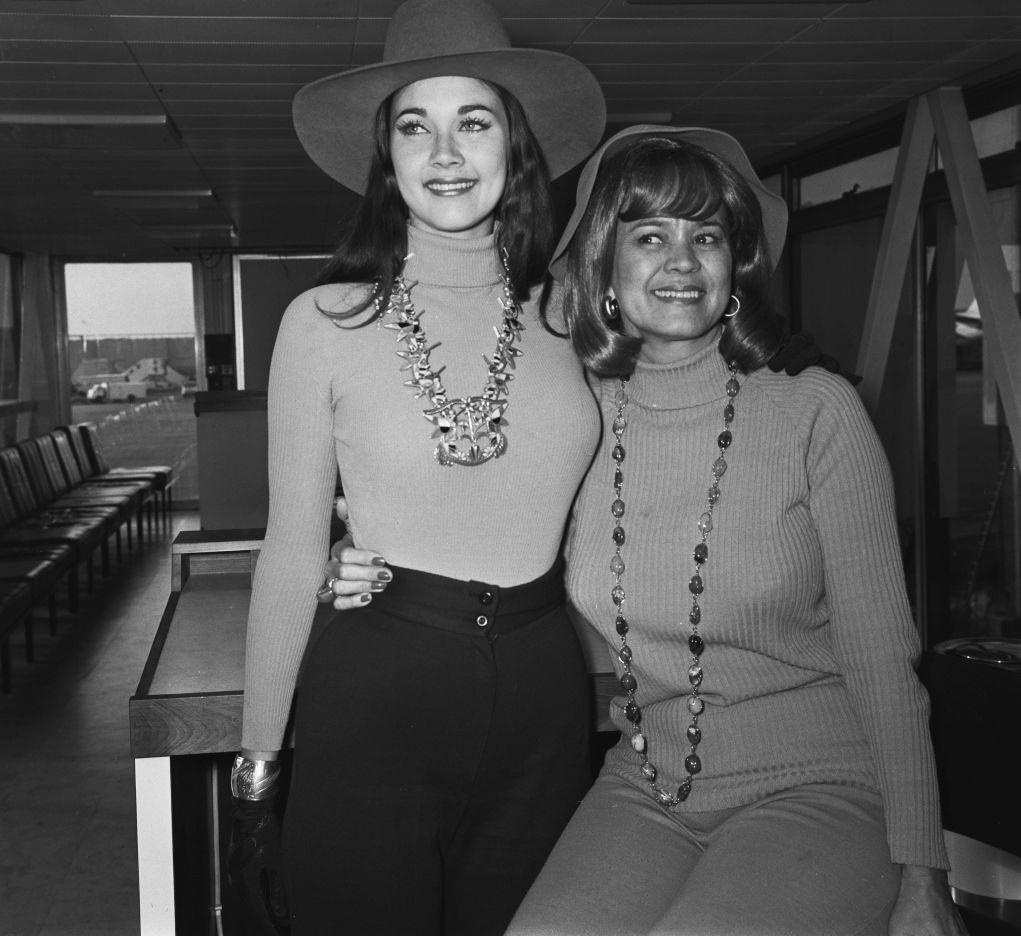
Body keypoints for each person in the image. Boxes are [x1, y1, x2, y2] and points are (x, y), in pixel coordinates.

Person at [328, 127, 966, 936]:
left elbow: (883, 655)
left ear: (734, 266)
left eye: (706, 237)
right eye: (649, 235)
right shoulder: (574, 412)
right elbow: (465, 526)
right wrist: (356, 557)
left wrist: (922, 874)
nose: (681, 260)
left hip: (819, 783)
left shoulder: (812, 409)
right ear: (603, 261)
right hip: (648, 783)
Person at [232, 0, 607, 936]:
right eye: (415, 127)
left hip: (543, 702)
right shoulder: (320, 324)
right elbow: (288, 549)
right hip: (377, 695)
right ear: (387, 159)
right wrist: (257, 763)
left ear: (513, 149)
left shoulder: (578, 318)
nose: (444, 153)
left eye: (472, 122)